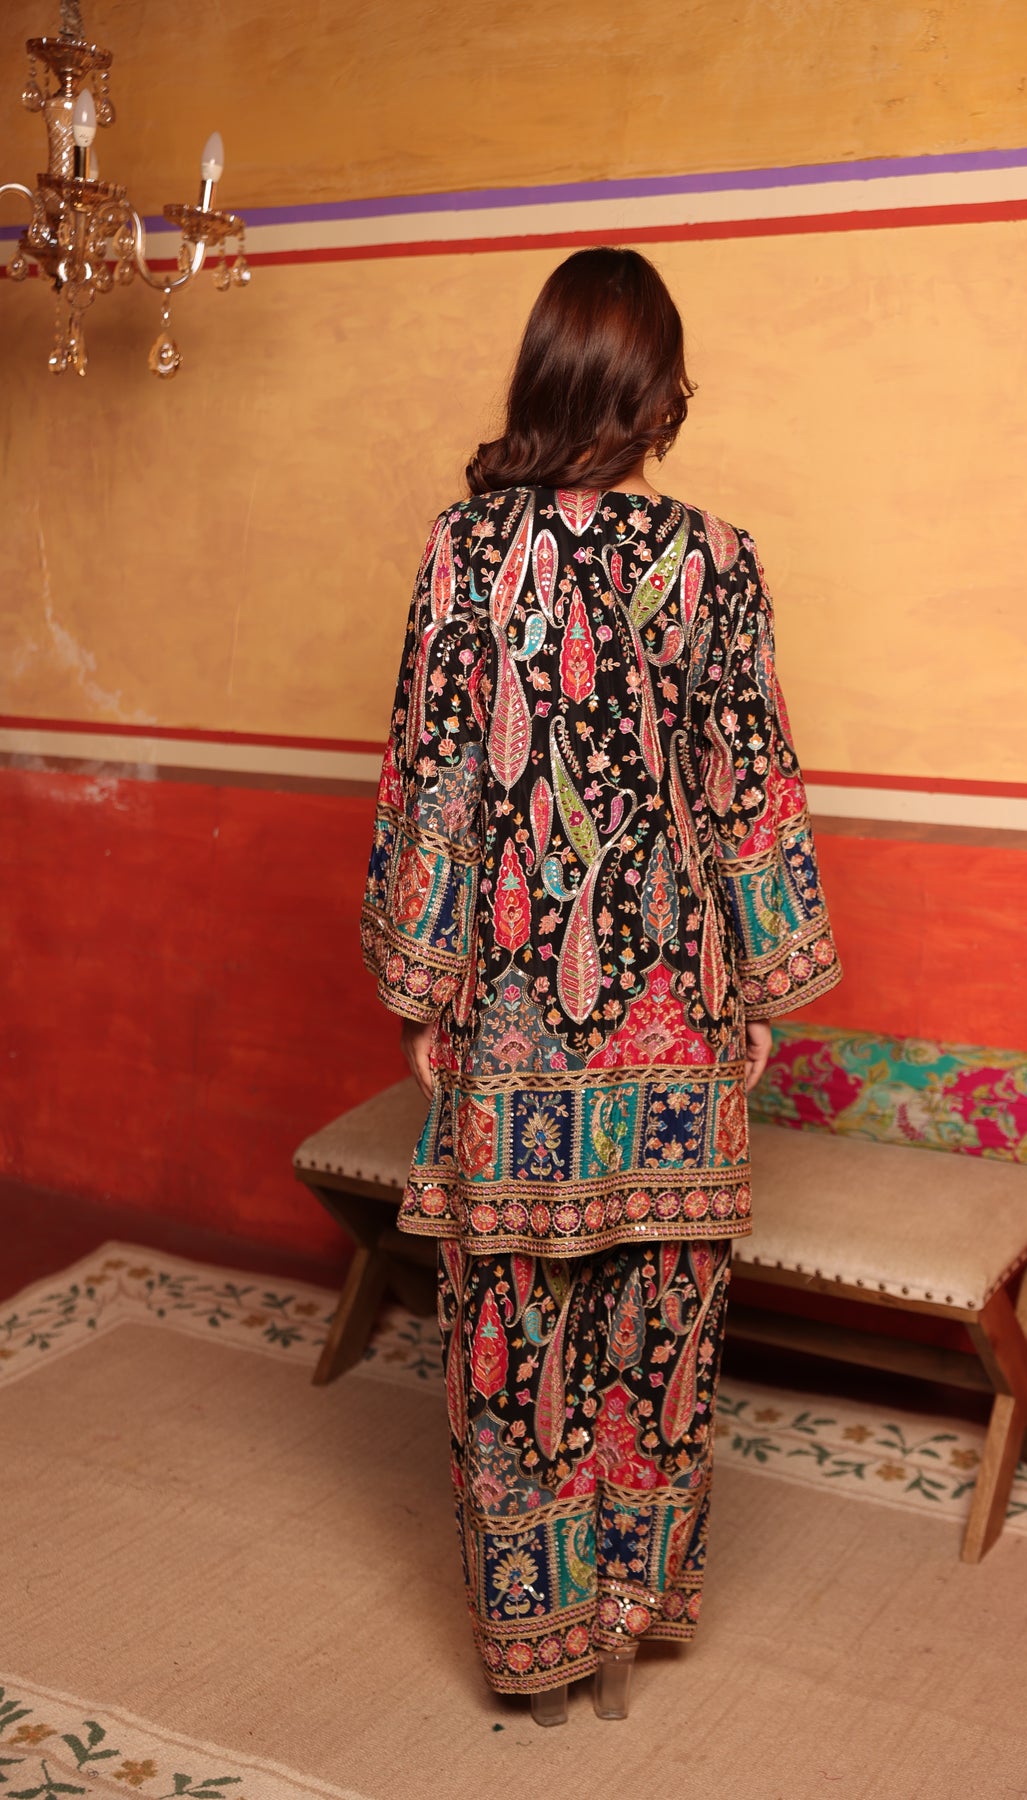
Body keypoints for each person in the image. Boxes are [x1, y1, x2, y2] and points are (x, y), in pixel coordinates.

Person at [360, 246, 841, 1726]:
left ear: (547, 372)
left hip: (513, 1019)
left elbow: (437, 779)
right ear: (657, 389)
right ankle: (628, 1626)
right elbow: (748, 779)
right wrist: (763, 986)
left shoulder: (462, 551)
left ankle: (542, 1645)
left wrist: (423, 984)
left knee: (509, 1345)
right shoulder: (713, 559)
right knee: (658, 1338)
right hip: (677, 1010)